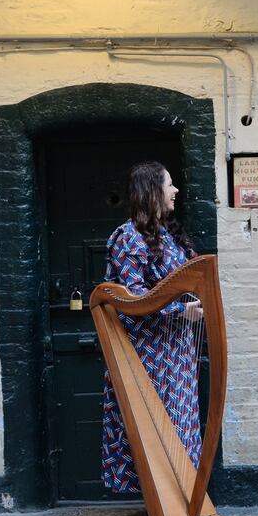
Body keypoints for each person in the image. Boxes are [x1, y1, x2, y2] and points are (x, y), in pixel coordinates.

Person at [101, 160, 204, 493]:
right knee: (162, 425)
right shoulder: (127, 237)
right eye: (169, 184)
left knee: (181, 424)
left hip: (178, 349)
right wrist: (179, 311)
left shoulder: (169, 235)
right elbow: (132, 300)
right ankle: (163, 497)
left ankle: (182, 494)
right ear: (152, 191)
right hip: (149, 352)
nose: (175, 190)